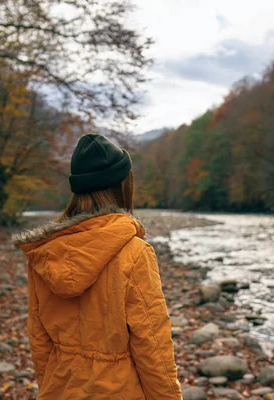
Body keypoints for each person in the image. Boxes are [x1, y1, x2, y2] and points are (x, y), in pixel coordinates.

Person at [13, 134, 182, 399]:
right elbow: (152, 344)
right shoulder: (135, 252)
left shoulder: (46, 251)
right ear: (123, 186)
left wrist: (51, 385)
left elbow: (39, 338)